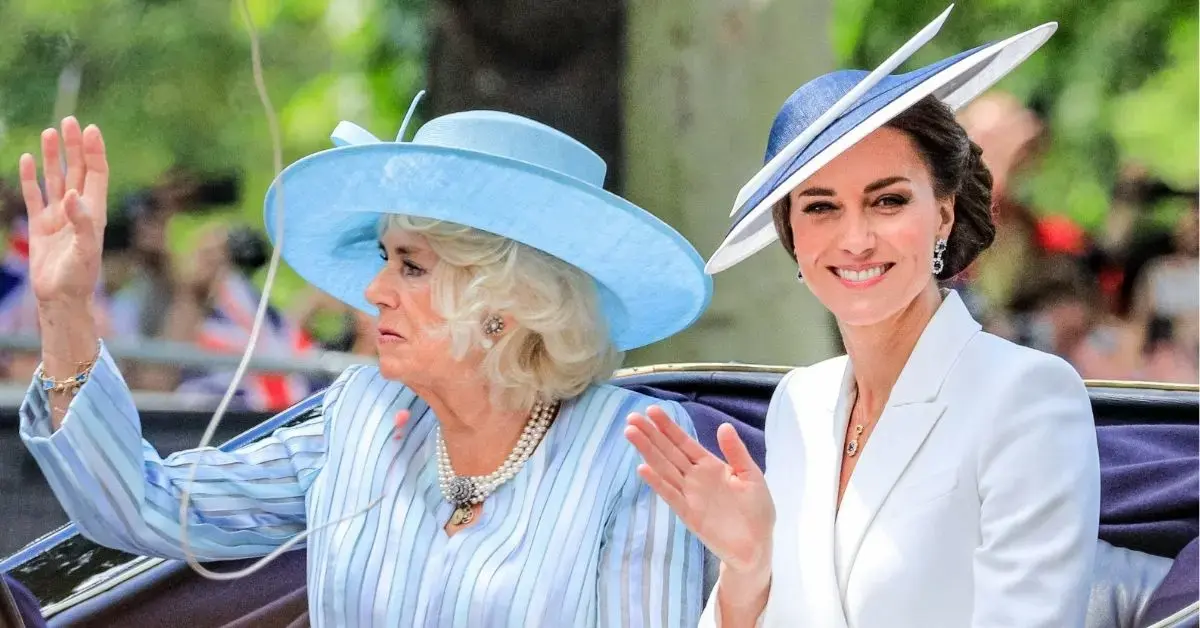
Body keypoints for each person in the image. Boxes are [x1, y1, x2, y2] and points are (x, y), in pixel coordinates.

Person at [17, 108, 712, 626]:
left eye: (411, 265)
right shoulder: (364, 416)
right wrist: (66, 309)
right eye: (386, 258)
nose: (375, 290)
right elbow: (143, 507)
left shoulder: (636, 453)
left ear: (508, 305)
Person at [625, 8, 1101, 627]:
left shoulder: (1026, 397)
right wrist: (747, 568)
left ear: (944, 213)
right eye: (821, 207)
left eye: (887, 200)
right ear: (792, 234)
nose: (855, 239)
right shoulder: (800, 402)